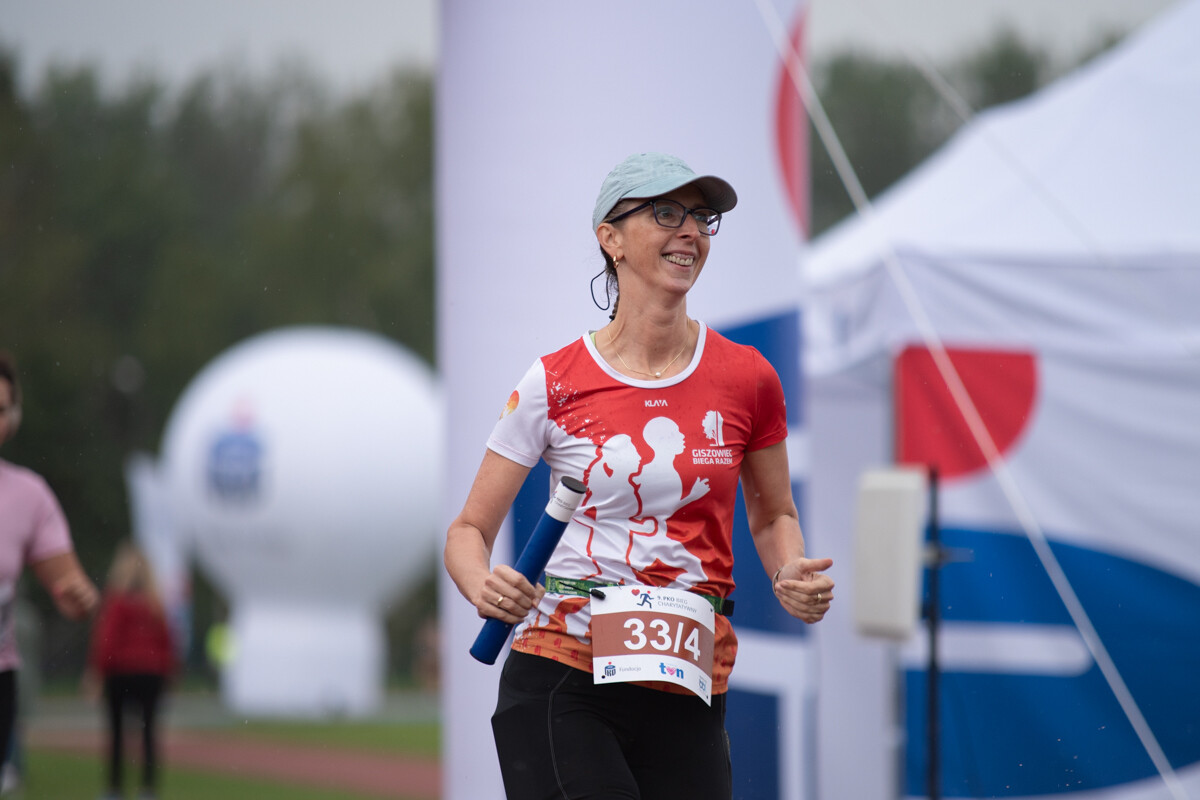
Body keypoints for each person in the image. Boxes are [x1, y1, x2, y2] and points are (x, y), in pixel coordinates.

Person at [444, 152, 835, 800]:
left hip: (689, 682)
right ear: (611, 238)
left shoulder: (749, 377)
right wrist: (483, 585)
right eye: (667, 213)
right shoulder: (555, 380)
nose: (691, 232)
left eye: (702, 218)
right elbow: (467, 531)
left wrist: (790, 571)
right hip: (564, 670)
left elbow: (773, 516)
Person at [0, 351, 99, 777]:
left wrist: (80, 596)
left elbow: (69, 582)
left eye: (0, 411)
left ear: (13, 419)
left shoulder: (28, 495)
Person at [84, 542, 176, 800]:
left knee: (116, 733)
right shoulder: (154, 604)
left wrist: (96, 672)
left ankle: (115, 788)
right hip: (151, 673)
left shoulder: (117, 602)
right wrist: (169, 672)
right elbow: (168, 643)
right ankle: (148, 788)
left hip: (121, 671)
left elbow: (106, 641)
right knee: (149, 733)